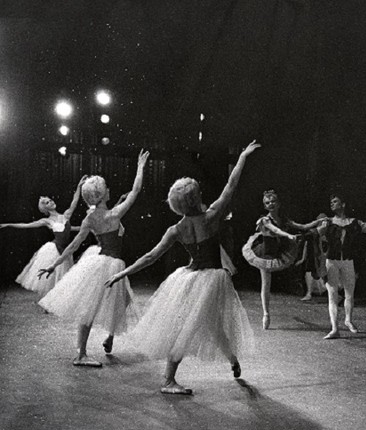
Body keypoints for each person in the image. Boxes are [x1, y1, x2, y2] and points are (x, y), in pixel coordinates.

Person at [105, 140, 260, 395]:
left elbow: (150, 257)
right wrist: (242, 156)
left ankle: (232, 360)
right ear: (196, 197)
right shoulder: (211, 216)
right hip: (210, 278)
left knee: (211, 325)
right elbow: (231, 185)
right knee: (191, 327)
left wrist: (123, 273)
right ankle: (168, 380)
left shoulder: (176, 229)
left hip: (191, 277)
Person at [38, 149, 150, 367]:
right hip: (110, 264)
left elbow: (73, 245)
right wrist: (140, 167)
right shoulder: (115, 214)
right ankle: (81, 354)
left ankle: (108, 338)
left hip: (101, 262)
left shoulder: (91, 217)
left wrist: (54, 265)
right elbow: (136, 190)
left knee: (123, 300)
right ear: (103, 193)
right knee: (92, 308)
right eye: (107, 188)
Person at [242, 190, 324, 329]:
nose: (271, 204)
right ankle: (266, 314)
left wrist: (318, 222)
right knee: (266, 284)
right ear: (265, 206)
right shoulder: (265, 220)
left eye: (273, 201)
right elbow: (275, 230)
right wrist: (288, 236)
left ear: (278, 203)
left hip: (279, 250)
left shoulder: (284, 218)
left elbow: (302, 226)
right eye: (267, 203)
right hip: (264, 252)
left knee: (268, 283)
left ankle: (266, 313)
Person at [318, 194, 366, 339]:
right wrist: (321, 232)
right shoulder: (328, 222)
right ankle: (334, 328)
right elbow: (318, 236)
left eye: (335, 202)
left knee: (349, 294)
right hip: (332, 261)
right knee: (332, 295)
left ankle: (348, 320)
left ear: (343, 204)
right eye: (331, 202)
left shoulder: (354, 223)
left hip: (348, 261)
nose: (332, 204)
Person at [0, 176, 87, 298]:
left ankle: (57, 300)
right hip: (54, 249)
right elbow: (26, 225)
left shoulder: (66, 215)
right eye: (47, 202)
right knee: (52, 276)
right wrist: (8, 224)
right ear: (45, 208)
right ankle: (48, 300)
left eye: (50, 200)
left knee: (63, 275)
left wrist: (79, 186)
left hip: (65, 249)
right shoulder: (46, 221)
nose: (51, 202)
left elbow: (75, 201)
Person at [295, 213, 328, 301]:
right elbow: (306, 245)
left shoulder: (330, 233)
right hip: (315, 258)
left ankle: (333, 293)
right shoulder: (313, 233)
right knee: (309, 271)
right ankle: (309, 293)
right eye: (321, 221)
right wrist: (302, 259)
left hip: (326, 259)